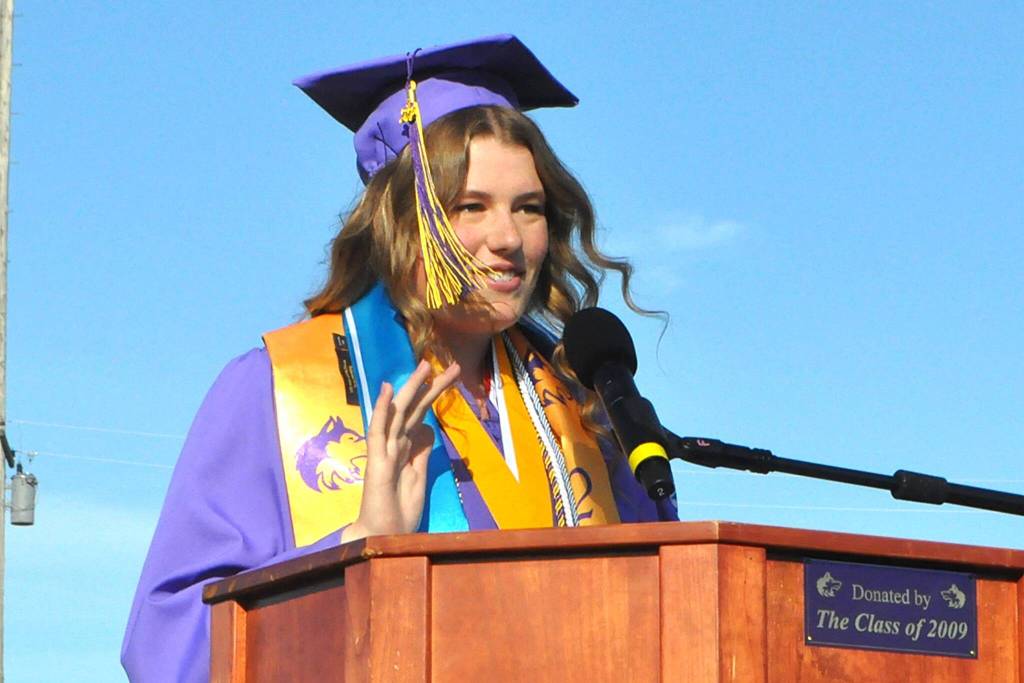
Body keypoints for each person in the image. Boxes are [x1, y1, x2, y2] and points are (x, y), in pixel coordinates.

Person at [121, 34, 677, 682]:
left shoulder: (585, 409)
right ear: (402, 217)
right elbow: (169, 646)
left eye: (529, 208)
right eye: (471, 206)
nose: (507, 239)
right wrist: (357, 546)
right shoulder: (275, 392)